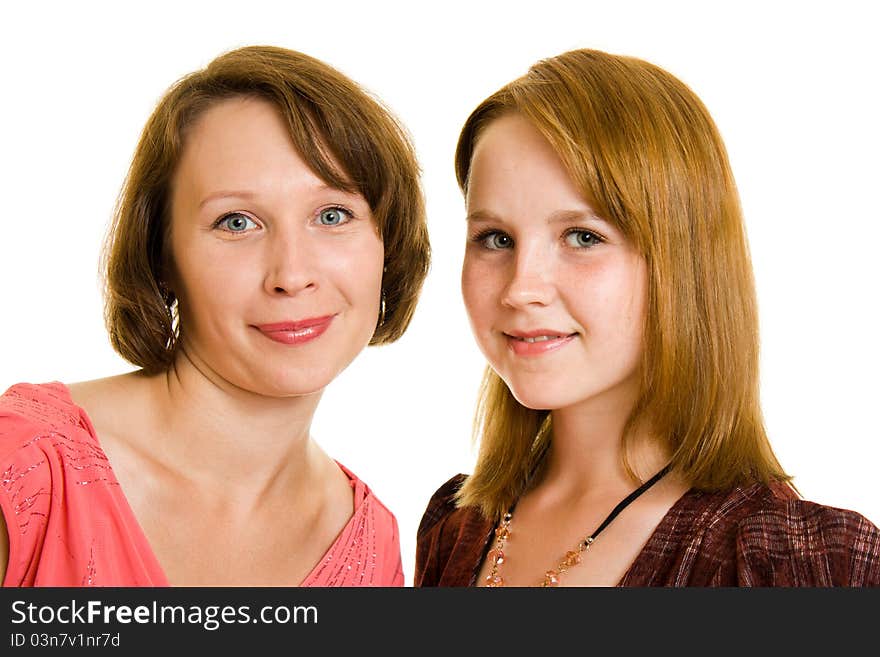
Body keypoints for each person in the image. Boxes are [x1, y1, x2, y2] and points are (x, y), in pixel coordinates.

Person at [415, 48, 880, 587]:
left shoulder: (802, 563)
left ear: (684, 261)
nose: (522, 288)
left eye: (583, 237)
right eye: (495, 239)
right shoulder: (454, 526)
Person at [0, 45, 430, 587]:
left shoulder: (371, 545)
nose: (292, 274)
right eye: (236, 223)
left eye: (332, 214)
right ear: (161, 255)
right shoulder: (24, 468)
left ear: (387, 244)